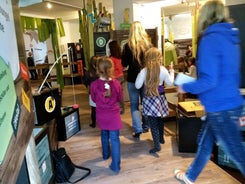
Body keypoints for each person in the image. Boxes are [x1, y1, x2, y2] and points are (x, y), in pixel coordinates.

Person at [174, 1, 245, 183]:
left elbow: (209, 80)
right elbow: (230, 75)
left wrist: (185, 87)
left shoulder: (209, 39)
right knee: (205, 143)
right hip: (228, 103)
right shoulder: (231, 37)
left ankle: (190, 175)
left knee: (237, 154)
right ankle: (190, 176)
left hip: (220, 108)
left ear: (204, 16)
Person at [135, 47, 174, 153]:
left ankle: (157, 146)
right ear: (159, 58)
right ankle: (161, 138)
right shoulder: (163, 70)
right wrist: (171, 71)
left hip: (149, 98)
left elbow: (137, 86)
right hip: (160, 97)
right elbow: (170, 83)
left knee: (153, 123)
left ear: (147, 58)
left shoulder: (144, 71)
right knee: (160, 119)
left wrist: (143, 79)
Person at [90, 56, 123, 174]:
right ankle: (116, 165)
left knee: (104, 133)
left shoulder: (93, 85)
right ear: (111, 69)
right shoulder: (117, 84)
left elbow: (93, 100)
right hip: (114, 115)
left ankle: (105, 155)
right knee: (115, 139)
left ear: (98, 69)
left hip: (101, 114)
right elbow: (120, 98)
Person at [121, 21, 152, 138]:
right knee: (145, 103)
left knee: (134, 105)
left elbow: (124, 63)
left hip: (132, 79)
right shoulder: (148, 46)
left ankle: (138, 128)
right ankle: (145, 126)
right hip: (145, 79)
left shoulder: (127, 46)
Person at [109, 40, 125, 114]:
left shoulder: (111, 59)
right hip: (121, 77)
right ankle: (122, 109)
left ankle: (117, 110)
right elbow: (123, 67)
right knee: (121, 94)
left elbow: (110, 70)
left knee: (115, 95)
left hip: (114, 79)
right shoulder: (121, 57)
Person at [84, 56, 100, 128]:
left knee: (93, 109)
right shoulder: (101, 72)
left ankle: (93, 123)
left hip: (92, 92)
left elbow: (85, 82)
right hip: (101, 92)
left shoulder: (88, 72)